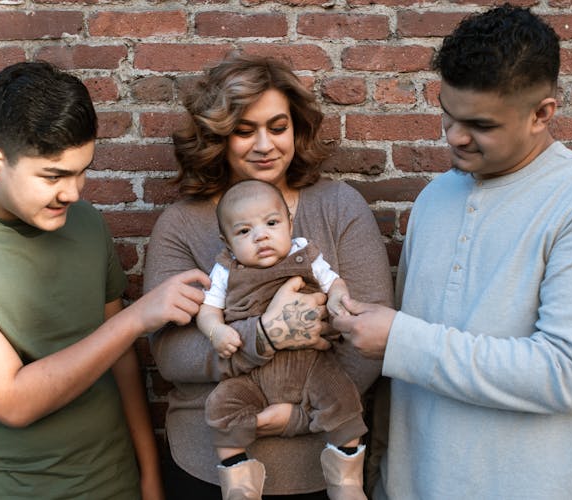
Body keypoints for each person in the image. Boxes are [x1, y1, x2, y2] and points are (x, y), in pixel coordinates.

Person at [331, 5, 572, 500]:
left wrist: (399, 340)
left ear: (542, 114)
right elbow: (404, 384)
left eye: (479, 124)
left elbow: (564, 374)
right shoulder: (436, 198)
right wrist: (381, 476)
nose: (454, 136)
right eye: (448, 113)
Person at [0, 61, 210, 499]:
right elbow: (14, 401)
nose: (73, 192)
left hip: (116, 483)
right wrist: (137, 318)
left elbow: (122, 362)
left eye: (82, 170)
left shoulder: (85, 222)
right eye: (54, 176)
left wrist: (148, 477)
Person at [143, 53, 394, 499]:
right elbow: (172, 353)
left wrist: (298, 416)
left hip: (322, 468)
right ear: (218, 134)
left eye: (278, 128)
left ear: (296, 129)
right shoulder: (182, 225)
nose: (265, 145)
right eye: (245, 130)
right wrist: (262, 335)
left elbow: (371, 340)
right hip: (207, 467)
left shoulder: (338, 207)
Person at [196, 179, 367, 499]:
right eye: (244, 231)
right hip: (252, 374)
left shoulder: (305, 253)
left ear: (289, 221)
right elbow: (207, 311)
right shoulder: (226, 270)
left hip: (313, 365)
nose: (261, 235)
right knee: (221, 408)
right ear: (227, 242)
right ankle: (239, 484)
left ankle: (346, 482)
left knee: (343, 400)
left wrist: (335, 299)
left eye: (272, 224)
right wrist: (216, 331)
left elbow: (335, 283)